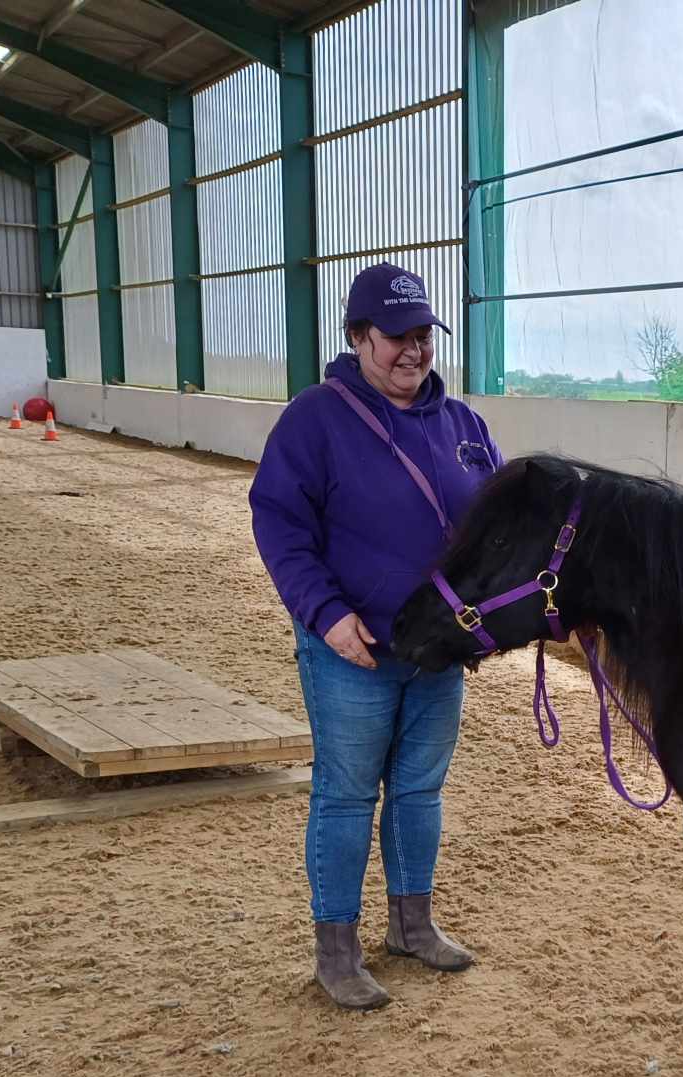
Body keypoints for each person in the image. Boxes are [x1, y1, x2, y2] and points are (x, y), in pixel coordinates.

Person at [249, 263, 502, 1010]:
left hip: (438, 653)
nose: (412, 351)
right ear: (359, 337)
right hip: (354, 650)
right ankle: (337, 948)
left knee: (419, 790)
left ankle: (412, 925)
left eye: (422, 335)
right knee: (347, 793)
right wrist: (325, 614)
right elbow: (279, 525)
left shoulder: (463, 425)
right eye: (396, 337)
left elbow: (495, 524)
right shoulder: (314, 419)